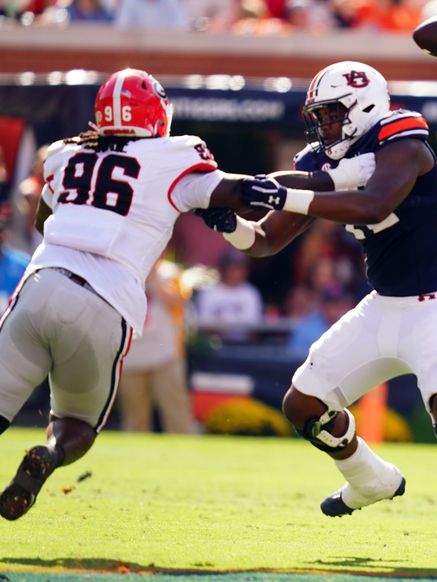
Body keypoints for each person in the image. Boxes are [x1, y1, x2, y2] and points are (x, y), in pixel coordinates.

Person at [197, 60, 437, 569]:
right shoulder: (319, 160)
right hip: (382, 305)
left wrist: (279, 190)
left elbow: (374, 205)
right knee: (303, 404)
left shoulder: (404, 141)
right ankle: (369, 479)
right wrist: (228, 223)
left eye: (334, 114)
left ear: (364, 107)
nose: (325, 127)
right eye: (320, 116)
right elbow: (266, 241)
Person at [0, 68, 311, 521]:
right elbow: (232, 194)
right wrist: (278, 187)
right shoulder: (174, 154)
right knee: (77, 426)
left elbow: (43, 221)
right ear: (157, 115)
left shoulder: (65, 154)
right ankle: (49, 454)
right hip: (105, 300)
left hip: (42, 282)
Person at [117, 256, 195, 433]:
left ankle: (186, 455)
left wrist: (152, 277)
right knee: (134, 418)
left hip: (166, 355)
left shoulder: (170, 272)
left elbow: (180, 300)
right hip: (132, 355)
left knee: (177, 415)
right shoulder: (124, 270)